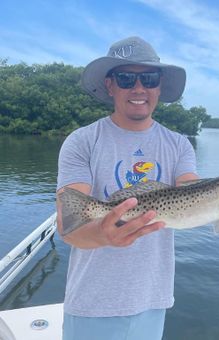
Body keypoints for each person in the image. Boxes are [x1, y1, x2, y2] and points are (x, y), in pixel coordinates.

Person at [56, 36, 198, 340]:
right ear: (110, 86)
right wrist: (103, 234)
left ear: (159, 86)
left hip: (153, 302)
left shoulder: (179, 145)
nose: (138, 88)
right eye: (125, 78)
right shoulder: (81, 141)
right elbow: (68, 229)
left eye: (148, 78)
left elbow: (194, 191)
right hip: (91, 305)